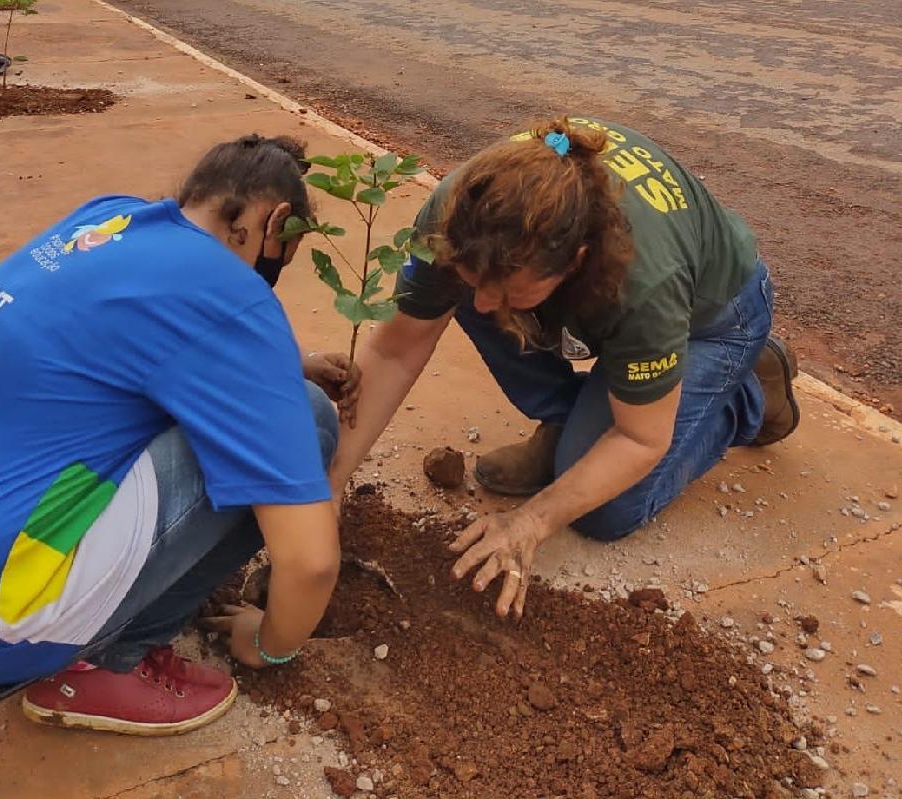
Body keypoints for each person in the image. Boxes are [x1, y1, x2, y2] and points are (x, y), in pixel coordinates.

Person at [0, 134, 360, 736]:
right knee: (307, 417)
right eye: (273, 268)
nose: (264, 285)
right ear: (274, 224)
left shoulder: (109, 220)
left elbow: (145, 349)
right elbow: (312, 564)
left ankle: (88, 610)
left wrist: (277, 369)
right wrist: (268, 646)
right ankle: (106, 663)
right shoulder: (229, 291)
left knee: (244, 409)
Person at [328, 116, 799, 620]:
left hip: (713, 321)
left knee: (604, 511)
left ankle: (747, 392)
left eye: (510, 289)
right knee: (466, 292)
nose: (485, 305)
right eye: (477, 279)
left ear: (574, 260)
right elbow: (397, 349)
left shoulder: (643, 285)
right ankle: (567, 423)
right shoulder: (460, 214)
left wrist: (531, 521)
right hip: (613, 309)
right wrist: (329, 484)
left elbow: (641, 439)